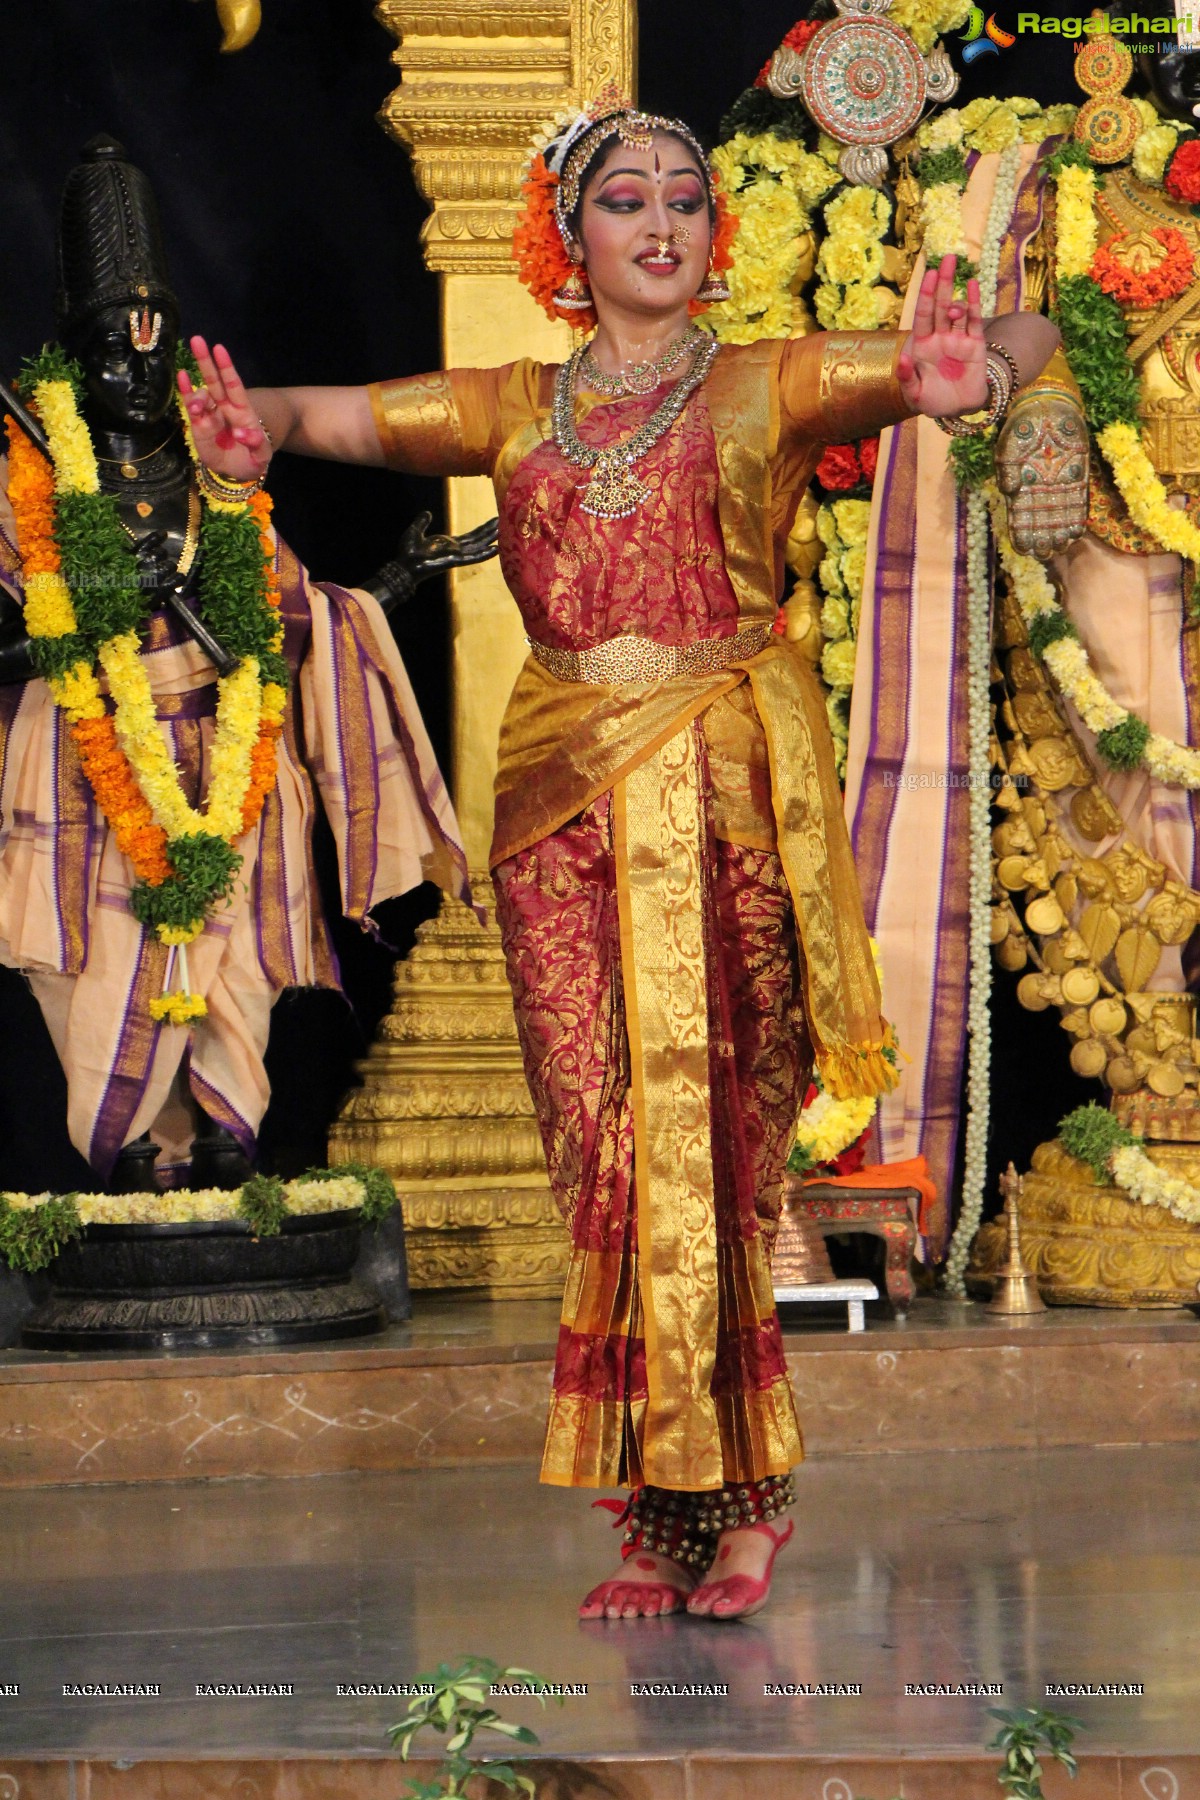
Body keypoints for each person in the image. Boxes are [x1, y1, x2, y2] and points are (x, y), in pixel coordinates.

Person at [179, 100, 1059, 1620]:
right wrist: (248, 424)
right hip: (557, 819)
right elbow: (343, 419)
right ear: (569, 240)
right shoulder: (516, 407)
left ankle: (745, 1503)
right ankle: (657, 1503)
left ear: (713, 238)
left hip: (719, 803)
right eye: (627, 200)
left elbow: (1029, 344)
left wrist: (972, 370)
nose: (664, 223)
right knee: (604, 1157)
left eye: (687, 201)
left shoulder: (769, 385)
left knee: (707, 1149)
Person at [0, 135, 495, 1191]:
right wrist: (74, 618)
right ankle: (136, 1165)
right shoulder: (28, 483)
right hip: (84, 787)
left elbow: (288, 624)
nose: (138, 370)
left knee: (229, 987)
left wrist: (394, 584)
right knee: (97, 986)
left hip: (233, 784)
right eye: (113, 351)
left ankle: (222, 1163)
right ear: (70, 361)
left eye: (156, 345)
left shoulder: (215, 461)